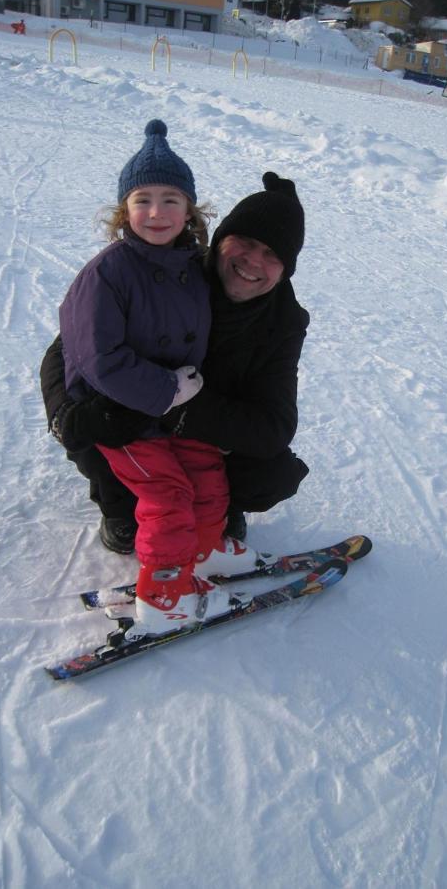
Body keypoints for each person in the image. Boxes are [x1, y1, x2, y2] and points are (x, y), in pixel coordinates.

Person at [42, 167, 309, 576]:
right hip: (132, 417)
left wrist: (174, 407)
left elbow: (275, 424)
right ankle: (121, 511)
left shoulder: (283, 321)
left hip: (199, 424)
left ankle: (217, 523)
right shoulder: (174, 270)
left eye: (273, 255)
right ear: (220, 239)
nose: (254, 261)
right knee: (94, 427)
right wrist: (64, 412)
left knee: (271, 471)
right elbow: (69, 345)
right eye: (247, 242)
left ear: (285, 269)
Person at [57, 118, 267, 639]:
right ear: (123, 210)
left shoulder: (192, 266)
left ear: (189, 209)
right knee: (169, 495)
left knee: (207, 472)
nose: (157, 213)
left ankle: (206, 551)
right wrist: (168, 390)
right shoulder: (107, 274)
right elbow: (99, 359)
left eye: (171, 199)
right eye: (142, 199)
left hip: (173, 413)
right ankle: (164, 595)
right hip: (119, 416)